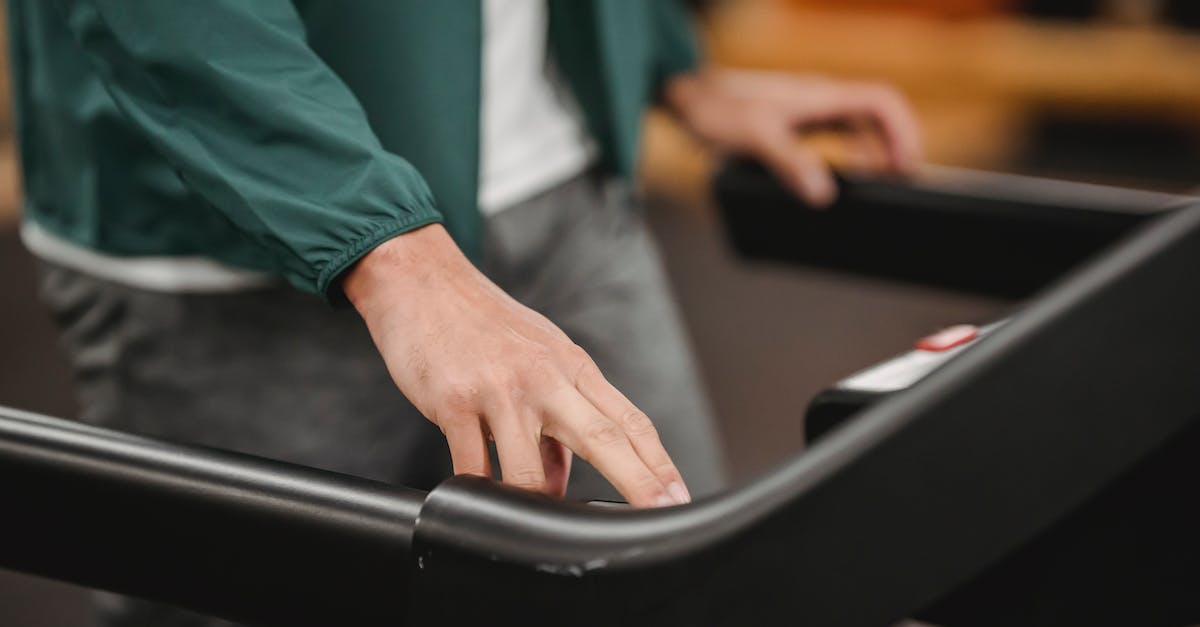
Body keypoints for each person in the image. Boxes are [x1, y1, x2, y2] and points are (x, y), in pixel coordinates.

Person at [7, 1, 920, 624]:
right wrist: (394, 256)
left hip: (562, 188)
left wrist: (667, 64)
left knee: (699, 598)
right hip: (232, 253)